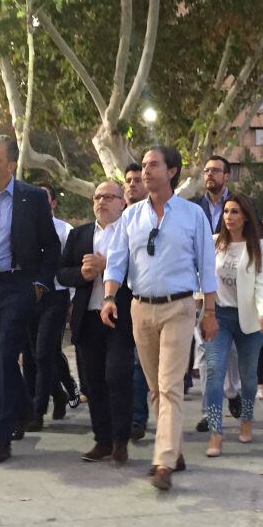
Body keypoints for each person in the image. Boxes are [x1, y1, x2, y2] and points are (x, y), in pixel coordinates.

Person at [102, 145, 217, 490]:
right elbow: (116, 261)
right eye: (145, 165)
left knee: (169, 386)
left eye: (154, 165)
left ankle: (163, 461)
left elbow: (206, 266)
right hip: (140, 308)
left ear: (172, 171)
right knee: (154, 387)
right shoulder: (131, 216)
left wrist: (209, 310)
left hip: (179, 307)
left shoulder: (192, 215)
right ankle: (174, 449)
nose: (146, 170)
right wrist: (109, 297)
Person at [0, 136, 61, 464]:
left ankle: (1, 439)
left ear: (12, 165)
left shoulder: (32, 198)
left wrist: (39, 285)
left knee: (6, 358)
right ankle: (22, 408)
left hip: (19, 285)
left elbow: (51, 248)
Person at [58, 181, 132, 464]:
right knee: (94, 382)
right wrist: (83, 274)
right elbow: (62, 273)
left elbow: (139, 272)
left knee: (117, 376)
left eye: (108, 197)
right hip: (87, 316)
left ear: (122, 202)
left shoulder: (128, 233)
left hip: (119, 316)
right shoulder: (80, 235)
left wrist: (107, 267)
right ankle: (102, 440)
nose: (101, 201)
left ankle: (120, 440)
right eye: (97, 197)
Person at [203, 194, 263, 456]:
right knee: (214, 374)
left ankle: (246, 419)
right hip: (219, 316)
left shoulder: (258, 247)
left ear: (245, 217)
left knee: (249, 377)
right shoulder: (213, 244)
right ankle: (215, 432)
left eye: (235, 212)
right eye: (226, 211)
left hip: (250, 318)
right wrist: (202, 306)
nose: (229, 217)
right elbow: (203, 275)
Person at [192, 155, 240, 432]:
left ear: (227, 176)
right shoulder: (193, 208)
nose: (210, 175)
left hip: (232, 291)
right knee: (205, 352)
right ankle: (209, 412)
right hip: (202, 290)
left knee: (231, 351)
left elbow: (257, 242)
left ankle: (233, 391)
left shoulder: (240, 205)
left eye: (216, 171)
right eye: (206, 171)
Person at [22, 185, 75, 430]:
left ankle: (37, 409)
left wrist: (72, 302)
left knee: (44, 352)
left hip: (57, 296)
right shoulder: (25, 229)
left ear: (53, 203)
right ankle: (60, 393)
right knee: (34, 355)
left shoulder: (65, 231)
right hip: (30, 297)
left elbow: (70, 268)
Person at [124, 162, 151, 441]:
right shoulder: (119, 217)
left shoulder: (153, 217)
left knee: (139, 365)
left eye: (137, 180)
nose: (132, 184)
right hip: (117, 303)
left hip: (150, 301)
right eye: (128, 180)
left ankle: (137, 418)